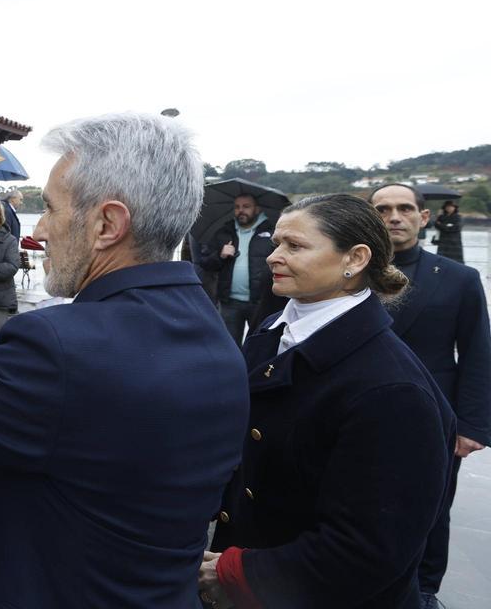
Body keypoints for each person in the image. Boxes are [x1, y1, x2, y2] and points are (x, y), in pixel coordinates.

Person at [0, 113, 250, 607]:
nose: (41, 231)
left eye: (53, 210)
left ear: (108, 224)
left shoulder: (59, 346)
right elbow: (88, 424)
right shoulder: (220, 345)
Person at [201, 193, 455, 609]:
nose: (273, 256)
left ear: (354, 259)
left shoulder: (393, 390)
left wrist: (234, 574)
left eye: (295, 246)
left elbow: (368, 550)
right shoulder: (272, 332)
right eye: (278, 242)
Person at [370, 183, 490, 607]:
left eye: (405, 208)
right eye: (383, 209)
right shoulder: (346, 275)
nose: (394, 216)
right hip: (360, 413)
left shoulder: (459, 279)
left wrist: (473, 426)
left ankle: (425, 590)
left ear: (424, 217)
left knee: (432, 511)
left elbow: (477, 353)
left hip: (435, 417)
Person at [200, 193, 284, 344]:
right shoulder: (224, 233)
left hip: (260, 301)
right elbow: (205, 263)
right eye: (237, 207)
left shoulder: (272, 233)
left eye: (246, 206)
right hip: (229, 302)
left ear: (257, 209)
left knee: (258, 344)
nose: (241, 211)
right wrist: (220, 255)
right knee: (228, 345)